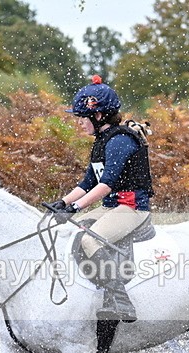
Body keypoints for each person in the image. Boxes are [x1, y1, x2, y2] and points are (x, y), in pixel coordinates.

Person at [48, 75, 153, 323]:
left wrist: (75, 207)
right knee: (70, 233)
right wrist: (62, 203)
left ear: (98, 116)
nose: (80, 124)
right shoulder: (101, 141)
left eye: (82, 118)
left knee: (90, 241)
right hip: (112, 208)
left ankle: (120, 300)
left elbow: (105, 185)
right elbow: (88, 183)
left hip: (132, 208)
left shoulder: (120, 141)